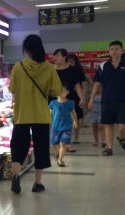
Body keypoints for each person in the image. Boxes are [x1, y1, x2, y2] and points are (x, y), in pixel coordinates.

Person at [9, 35, 63, 193]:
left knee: (19, 147)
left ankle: (16, 175)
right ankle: (37, 183)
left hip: (22, 114)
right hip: (41, 115)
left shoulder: (19, 67)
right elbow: (56, 90)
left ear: (26, 49)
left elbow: (13, 89)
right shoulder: (49, 68)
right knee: (41, 148)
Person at [88, 40, 125, 156]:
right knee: (108, 124)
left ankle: (121, 137)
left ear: (121, 51)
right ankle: (109, 148)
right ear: (109, 52)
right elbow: (97, 83)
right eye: (112, 49)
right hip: (107, 100)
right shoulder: (103, 65)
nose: (114, 51)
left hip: (124, 100)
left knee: (123, 125)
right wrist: (91, 98)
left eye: (117, 49)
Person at [52, 49, 84, 150]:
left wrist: (81, 97)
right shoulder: (51, 70)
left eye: (57, 56)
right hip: (55, 100)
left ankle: (65, 143)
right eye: (54, 56)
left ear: (64, 57)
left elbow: (77, 85)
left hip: (69, 99)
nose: (55, 58)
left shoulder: (72, 70)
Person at [50, 85, 78, 167]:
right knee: (53, 143)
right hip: (55, 127)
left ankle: (60, 160)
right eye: (58, 91)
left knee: (63, 143)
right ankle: (58, 154)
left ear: (67, 92)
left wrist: (75, 121)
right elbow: (49, 113)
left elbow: (73, 113)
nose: (60, 93)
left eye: (62, 91)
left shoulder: (70, 103)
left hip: (66, 127)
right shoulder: (53, 103)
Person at [67, 53, 87, 142]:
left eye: (71, 61)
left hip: (78, 98)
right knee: (69, 118)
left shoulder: (79, 71)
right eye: (68, 61)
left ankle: (76, 136)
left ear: (75, 62)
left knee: (79, 118)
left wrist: (83, 97)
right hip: (67, 97)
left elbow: (84, 85)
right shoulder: (65, 71)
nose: (70, 63)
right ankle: (69, 136)